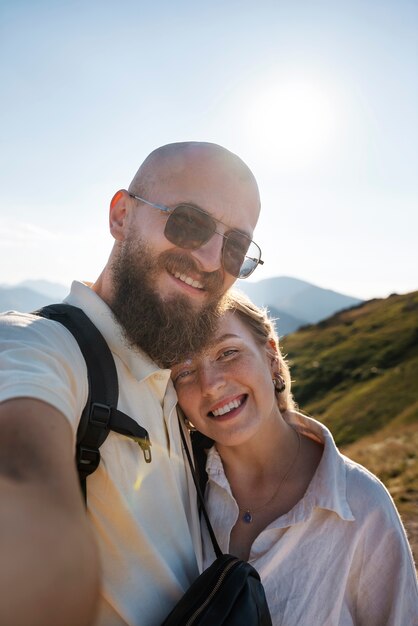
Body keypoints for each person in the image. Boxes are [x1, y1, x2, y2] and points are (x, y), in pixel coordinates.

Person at [0, 142, 263, 626]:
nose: (210, 260)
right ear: (121, 216)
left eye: (235, 247)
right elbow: (20, 476)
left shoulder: (176, 384)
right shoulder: (37, 346)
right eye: (188, 222)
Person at [171, 289, 418, 625]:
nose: (210, 384)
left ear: (271, 356)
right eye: (184, 372)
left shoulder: (361, 505)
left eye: (228, 352)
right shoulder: (174, 493)